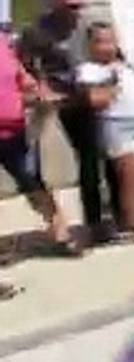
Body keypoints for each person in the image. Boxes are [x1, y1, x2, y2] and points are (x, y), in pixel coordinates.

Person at [18, 0, 124, 245]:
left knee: (110, 156)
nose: (75, 7)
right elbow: (24, 64)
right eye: (69, 2)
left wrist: (115, 81)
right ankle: (91, 224)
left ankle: (118, 216)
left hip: (99, 97)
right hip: (65, 104)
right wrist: (43, 90)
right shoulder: (39, 31)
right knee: (84, 162)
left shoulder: (90, 25)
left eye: (78, 2)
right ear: (56, 1)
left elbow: (112, 54)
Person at [77, 23, 134, 242]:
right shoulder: (89, 69)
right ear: (90, 45)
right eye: (101, 41)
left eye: (111, 41)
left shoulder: (128, 66)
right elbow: (96, 100)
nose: (107, 47)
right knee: (129, 175)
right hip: (115, 122)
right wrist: (111, 81)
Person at [0, 30, 76, 256]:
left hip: (13, 130)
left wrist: (38, 92)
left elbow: (21, 77)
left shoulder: (3, 43)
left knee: (32, 181)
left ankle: (60, 234)